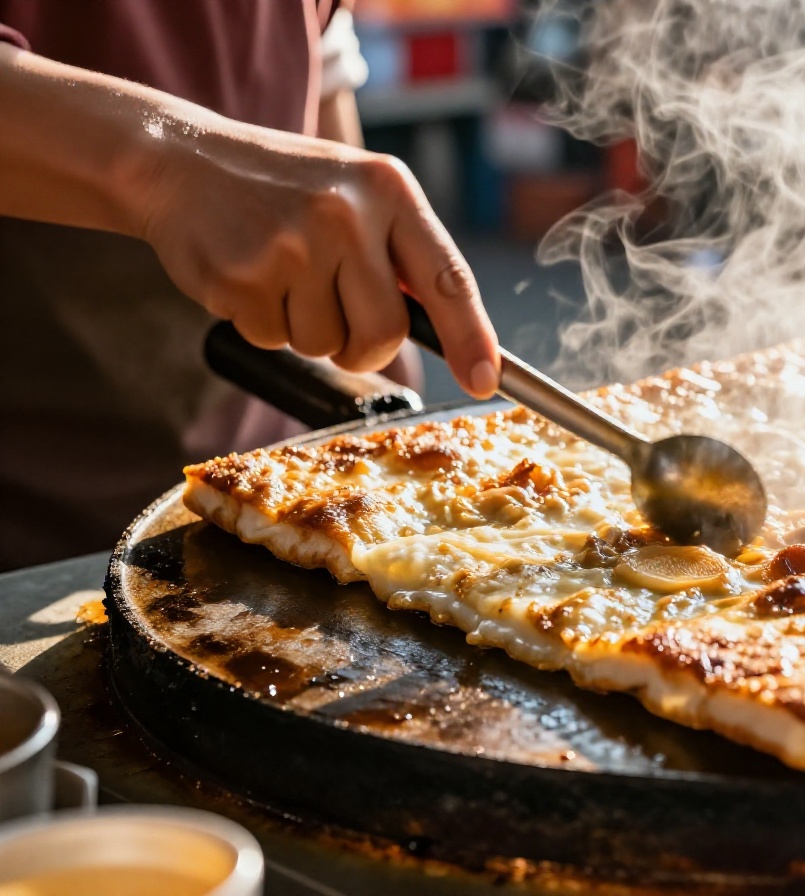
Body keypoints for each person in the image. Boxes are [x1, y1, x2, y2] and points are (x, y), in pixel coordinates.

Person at [0, 2, 501, 570]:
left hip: (269, 489)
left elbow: (320, 46)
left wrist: (373, 305)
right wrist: (168, 167)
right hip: (25, 525)